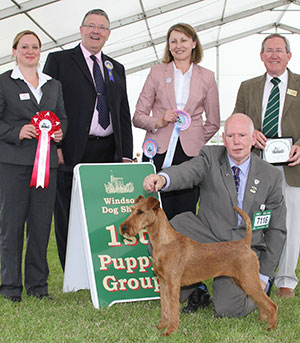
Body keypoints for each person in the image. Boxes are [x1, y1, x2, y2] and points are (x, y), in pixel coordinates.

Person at [143, 113, 286, 318]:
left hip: (241, 248)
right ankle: (196, 289)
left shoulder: (270, 175)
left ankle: (256, 286)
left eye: (242, 135)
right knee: (161, 239)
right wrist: (163, 178)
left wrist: (264, 275)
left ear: (254, 138)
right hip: (208, 235)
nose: (236, 142)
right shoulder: (210, 156)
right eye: (230, 136)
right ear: (223, 137)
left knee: (228, 309)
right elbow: (188, 171)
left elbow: (277, 228)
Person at [43, 9, 133, 270]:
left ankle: (100, 267)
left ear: (108, 34)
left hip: (108, 152)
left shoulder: (116, 67)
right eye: (91, 26)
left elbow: (122, 112)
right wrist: (55, 145)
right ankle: (72, 270)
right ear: (81, 30)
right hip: (70, 150)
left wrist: (126, 153)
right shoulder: (59, 60)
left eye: (102, 27)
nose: (96, 31)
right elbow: (48, 106)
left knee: (102, 214)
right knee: (66, 214)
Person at [0, 30, 67, 302]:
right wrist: (17, 131)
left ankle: (38, 286)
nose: (30, 51)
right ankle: (10, 287)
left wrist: (61, 132)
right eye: (24, 47)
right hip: (13, 165)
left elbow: (61, 117)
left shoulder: (54, 85)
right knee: (11, 227)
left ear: (40, 52)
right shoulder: (4, 82)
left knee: (40, 227)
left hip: (47, 166)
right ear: (14, 51)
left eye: (35, 47)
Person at [233, 33, 300, 299]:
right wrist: (252, 134)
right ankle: (258, 276)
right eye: (268, 50)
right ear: (261, 56)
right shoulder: (247, 87)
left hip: (292, 168)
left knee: (290, 224)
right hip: (257, 166)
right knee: (257, 224)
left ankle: (286, 280)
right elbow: (236, 119)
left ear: (289, 56)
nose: (274, 55)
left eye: (279, 50)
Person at [133, 23, 220, 220]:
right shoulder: (156, 72)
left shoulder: (207, 77)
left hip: (191, 156)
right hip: (157, 152)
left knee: (186, 215)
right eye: (173, 41)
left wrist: (194, 137)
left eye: (183, 40)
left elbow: (213, 121)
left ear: (194, 43)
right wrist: (160, 121)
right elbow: (138, 117)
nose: (178, 45)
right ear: (168, 46)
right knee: (153, 213)